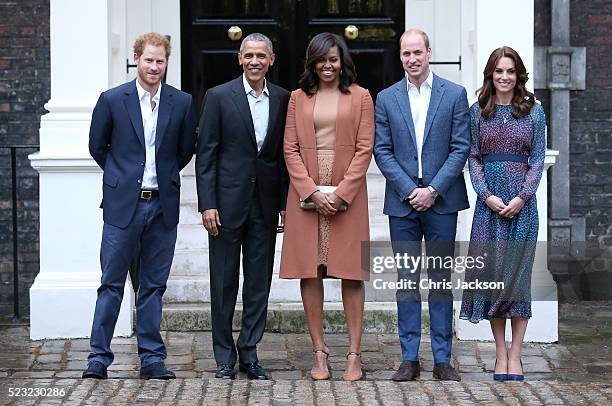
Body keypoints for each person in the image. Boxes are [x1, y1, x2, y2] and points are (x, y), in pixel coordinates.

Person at [83, 32, 196, 380]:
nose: (154, 67)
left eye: (160, 61)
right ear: (136, 58)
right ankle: (98, 358)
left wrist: (159, 176)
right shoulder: (113, 99)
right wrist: (123, 178)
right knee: (111, 283)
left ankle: (151, 358)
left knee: (153, 286)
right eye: (148, 60)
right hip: (122, 207)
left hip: (162, 206)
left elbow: (184, 150)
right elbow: (97, 146)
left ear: (166, 62)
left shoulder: (182, 102)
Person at [373, 28, 470, 381]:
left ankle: (443, 358)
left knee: (441, 280)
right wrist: (408, 189)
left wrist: (433, 190)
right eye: (405, 54)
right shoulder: (385, 98)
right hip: (402, 203)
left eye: (417, 52)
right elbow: (381, 150)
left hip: (442, 203)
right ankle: (409, 357)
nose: (412, 59)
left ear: (430, 52)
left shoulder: (454, 95)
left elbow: (461, 147)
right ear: (400, 57)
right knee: (407, 280)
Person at [280, 32, 374, 382]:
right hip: (307, 191)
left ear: (342, 60)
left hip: (347, 192)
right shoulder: (297, 98)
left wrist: (342, 193)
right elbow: (289, 148)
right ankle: (319, 351)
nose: (327, 65)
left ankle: (354, 354)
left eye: (333, 59)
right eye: (321, 60)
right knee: (311, 270)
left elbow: (365, 148)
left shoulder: (362, 96)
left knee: (351, 272)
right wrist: (311, 190)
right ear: (312, 63)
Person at [195, 33, 290, 380]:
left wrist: (283, 204)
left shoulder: (282, 98)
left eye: (261, 56)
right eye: (248, 55)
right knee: (223, 284)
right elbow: (206, 154)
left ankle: (249, 353)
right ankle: (224, 357)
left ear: (271, 59)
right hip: (224, 206)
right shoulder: (218, 97)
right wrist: (207, 204)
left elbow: (282, 157)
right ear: (239, 59)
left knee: (257, 285)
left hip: (264, 207)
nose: (254, 61)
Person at [460, 46, 546, 382]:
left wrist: (523, 196)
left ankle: (516, 354)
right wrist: (487, 195)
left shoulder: (534, 112)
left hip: (523, 209)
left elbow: (538, 159)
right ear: (490, 75)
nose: (505, 77)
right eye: (499, 71)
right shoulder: (477, 111)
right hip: (489, 210)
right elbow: (474, 158)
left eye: (510, 71)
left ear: (518, 74)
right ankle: (499, 353)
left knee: (518, 281)